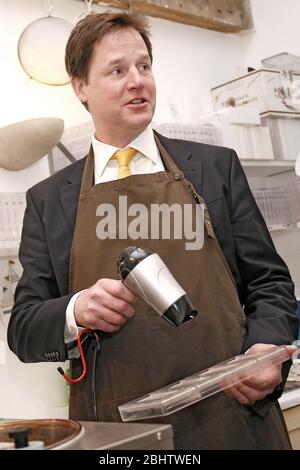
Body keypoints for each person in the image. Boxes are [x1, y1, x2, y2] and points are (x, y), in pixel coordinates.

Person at [8, 11, 299, 450]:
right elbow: (24, 330)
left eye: (144, 66)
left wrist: (266, 350)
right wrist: (76, 311)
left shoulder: (214, 168)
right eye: (118, 70)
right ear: (80, 87)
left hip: (235, 418)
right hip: (121, 435)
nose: (137, 81)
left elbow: (270, 282)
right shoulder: (50, 200)